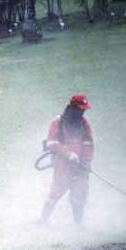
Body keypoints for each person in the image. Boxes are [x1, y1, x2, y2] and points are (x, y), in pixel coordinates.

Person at [38, 94, 94, 226]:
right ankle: (41, 222)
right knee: (55, 194)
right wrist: (69, 154)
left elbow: (88, 144)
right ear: (72, 107)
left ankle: (78, 227)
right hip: (62, 165)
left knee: (79, 196)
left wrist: (86, 161)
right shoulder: (58, 121)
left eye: (84, 109)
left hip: (80, 166)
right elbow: (51, 143)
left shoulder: (84, 123)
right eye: (80, 109)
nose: (82, 112)